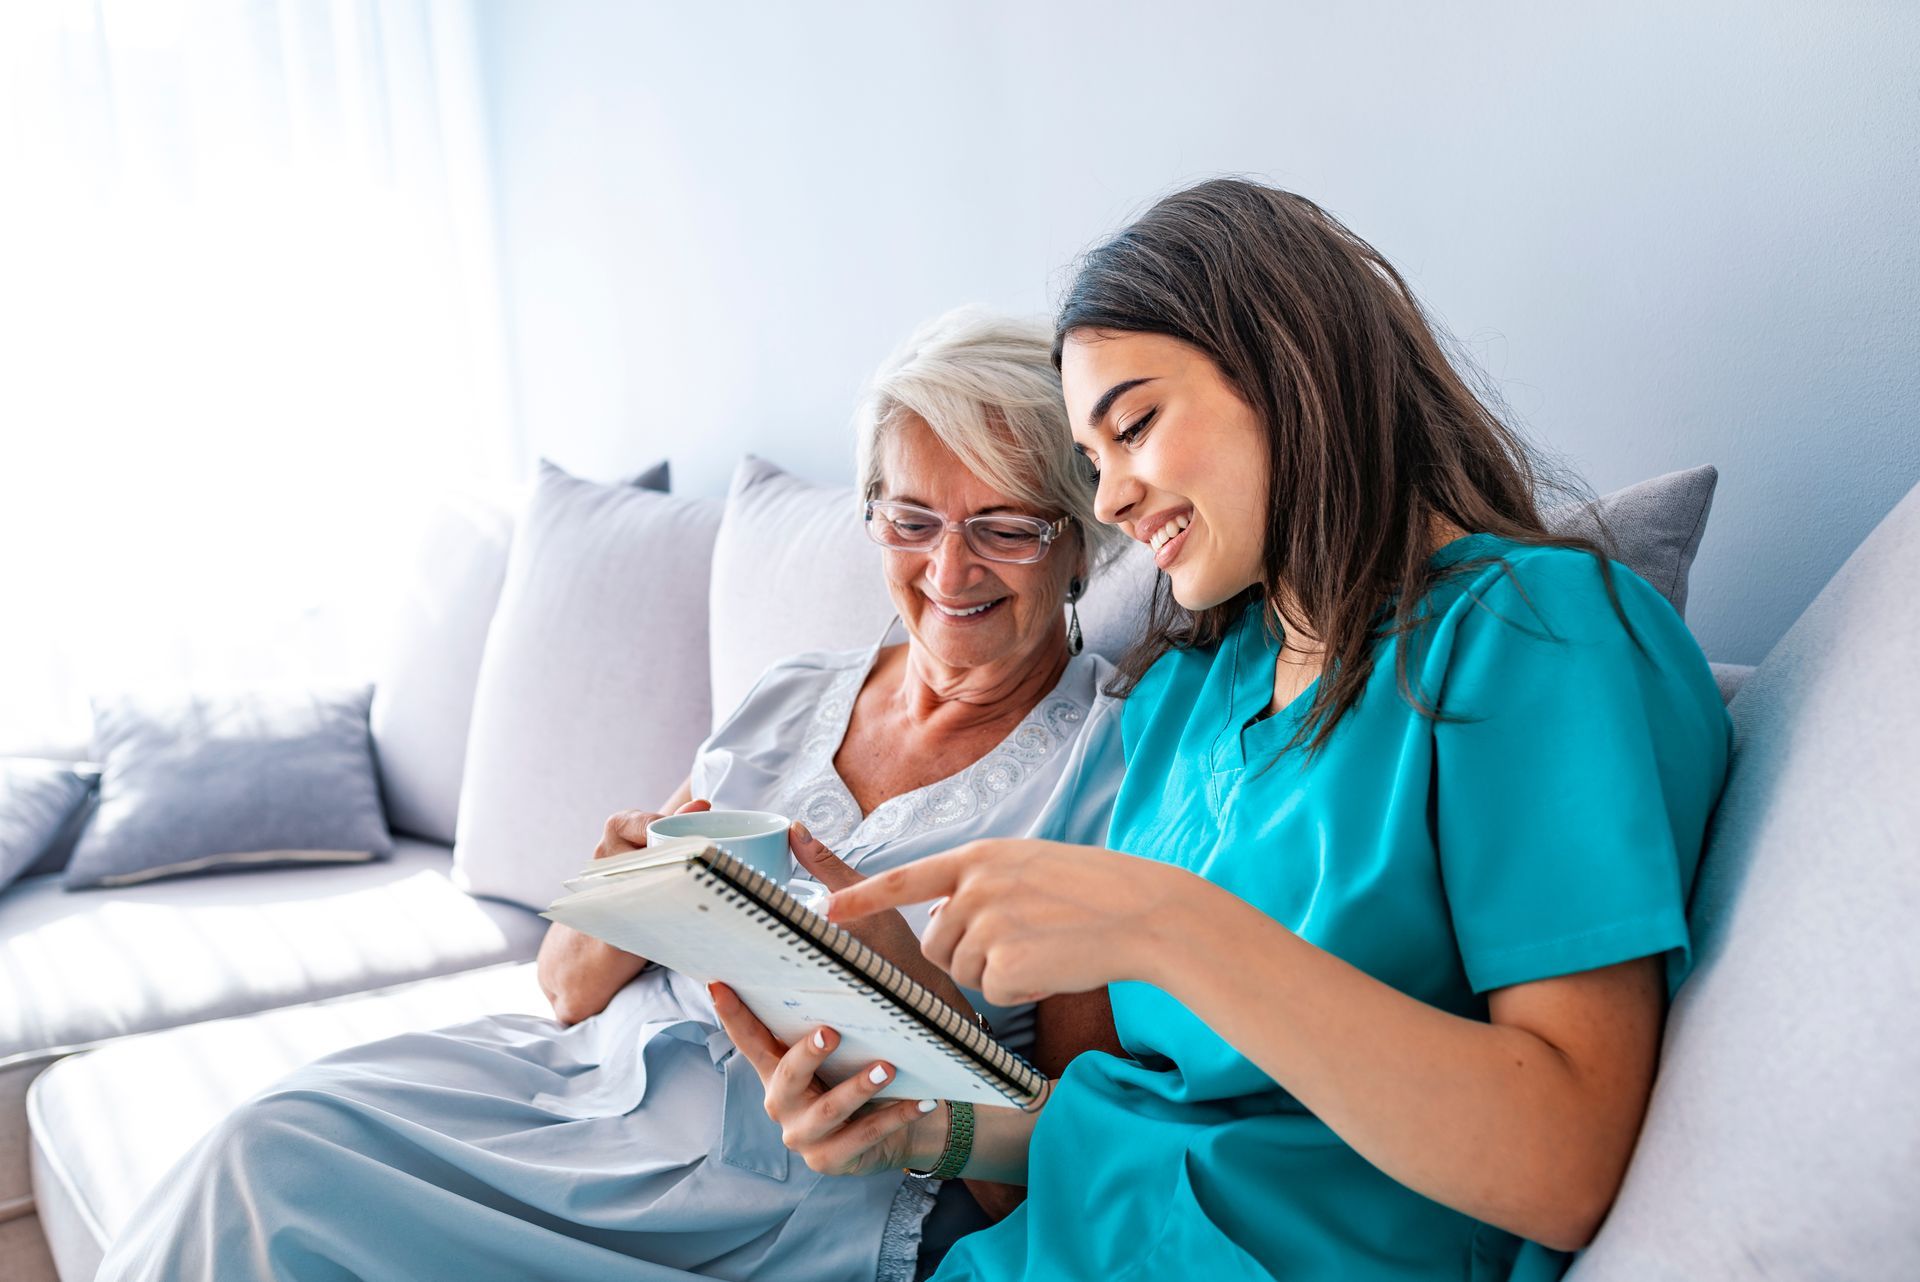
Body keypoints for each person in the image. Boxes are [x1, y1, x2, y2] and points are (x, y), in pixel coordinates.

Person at [716, 179, 1733, 1282]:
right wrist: (921, 1124)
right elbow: (1130, 1116)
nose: (1106, 500)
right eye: (1092, 460)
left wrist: (1165, 925)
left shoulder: (1529, 633)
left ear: (1289, 367)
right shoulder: (1182, 699)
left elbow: (1565, 1164)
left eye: (1135, 424)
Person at [97, 308, 1129, 1282]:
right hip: (587, 1090)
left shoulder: (1105, 766)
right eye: (911, 519)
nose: (948, 568)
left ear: (1079, 540)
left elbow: (1086, 1166)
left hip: (784, 1192)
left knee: (274, 1188)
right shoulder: (795, 695)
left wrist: (925, 1012)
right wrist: (632, 890)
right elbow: (564, 986)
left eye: (1004, 527)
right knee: (265, 1142)